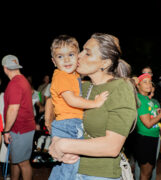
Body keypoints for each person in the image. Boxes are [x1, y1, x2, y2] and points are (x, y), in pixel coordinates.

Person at [48, 33, 137, 180]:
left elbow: (112, 146)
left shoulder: (120, 88)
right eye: (81, 50)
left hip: (98, 174)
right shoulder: (82, 86)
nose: (79, 56)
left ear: (105, 63)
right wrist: (55, 142)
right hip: (70, 169)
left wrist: (63, 145)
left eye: (87, 53)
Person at [49, 35, 108, 180]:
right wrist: (95, 103)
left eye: (71, 54)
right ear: (54, 61)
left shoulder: (74, 75)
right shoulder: (61, 76)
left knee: (65, 164)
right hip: (68, 124)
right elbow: (72, 100)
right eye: (60, 56)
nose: (67, 60)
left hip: (69, 123)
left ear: (78, 57)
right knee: (72, 164)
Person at [133, 73, 161, 180]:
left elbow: (151, 116)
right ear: (138, 86)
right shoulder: (141, 100)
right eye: (145, 82)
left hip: (152, 137)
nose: (148, 85)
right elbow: (148, 124)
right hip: (145, 139)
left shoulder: (147, 99)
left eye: (150, 82)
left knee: (148, 172)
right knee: (145, 173)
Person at [2, 55, 36, 180]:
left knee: (23, 162)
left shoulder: (15, 83)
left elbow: (13, 109)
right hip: (20, 128)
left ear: (5, 68)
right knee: (15, 160)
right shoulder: (22, 80)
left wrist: (6, 131)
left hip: (21, 129)